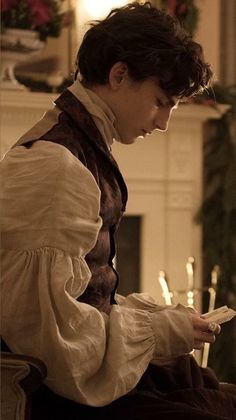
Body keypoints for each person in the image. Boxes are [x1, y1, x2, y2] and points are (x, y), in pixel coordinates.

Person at [1, 2, 236, 419]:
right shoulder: (55, 166)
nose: (163, 122)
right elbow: (46, 335)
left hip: (80, 370)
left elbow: (81, 295)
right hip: (55, 392)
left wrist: (159, 321)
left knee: (201, 383)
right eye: (161, 101)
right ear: (119, 75)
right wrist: (156, 332)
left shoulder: (81, 143)